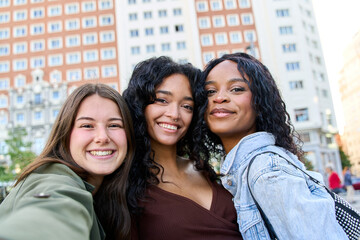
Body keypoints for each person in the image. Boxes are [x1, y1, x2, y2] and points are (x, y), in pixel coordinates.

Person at [201, 52, 347, 240]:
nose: (219, 98)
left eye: (236, 89)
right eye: (210, 91)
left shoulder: (266, 171)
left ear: (260, 102)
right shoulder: (244, 170)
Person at [123, 56, 242, 240]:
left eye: (187, 106)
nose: (174, 114)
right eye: (162, 100)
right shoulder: (125, 183)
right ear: (140, 106)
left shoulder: (203, 168)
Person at [0, 83, 135, 240]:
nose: (103, 137)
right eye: (87, 125)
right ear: (66, 134)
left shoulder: (107, 193)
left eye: (114, 125)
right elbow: (53, 211)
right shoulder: (55, 180)